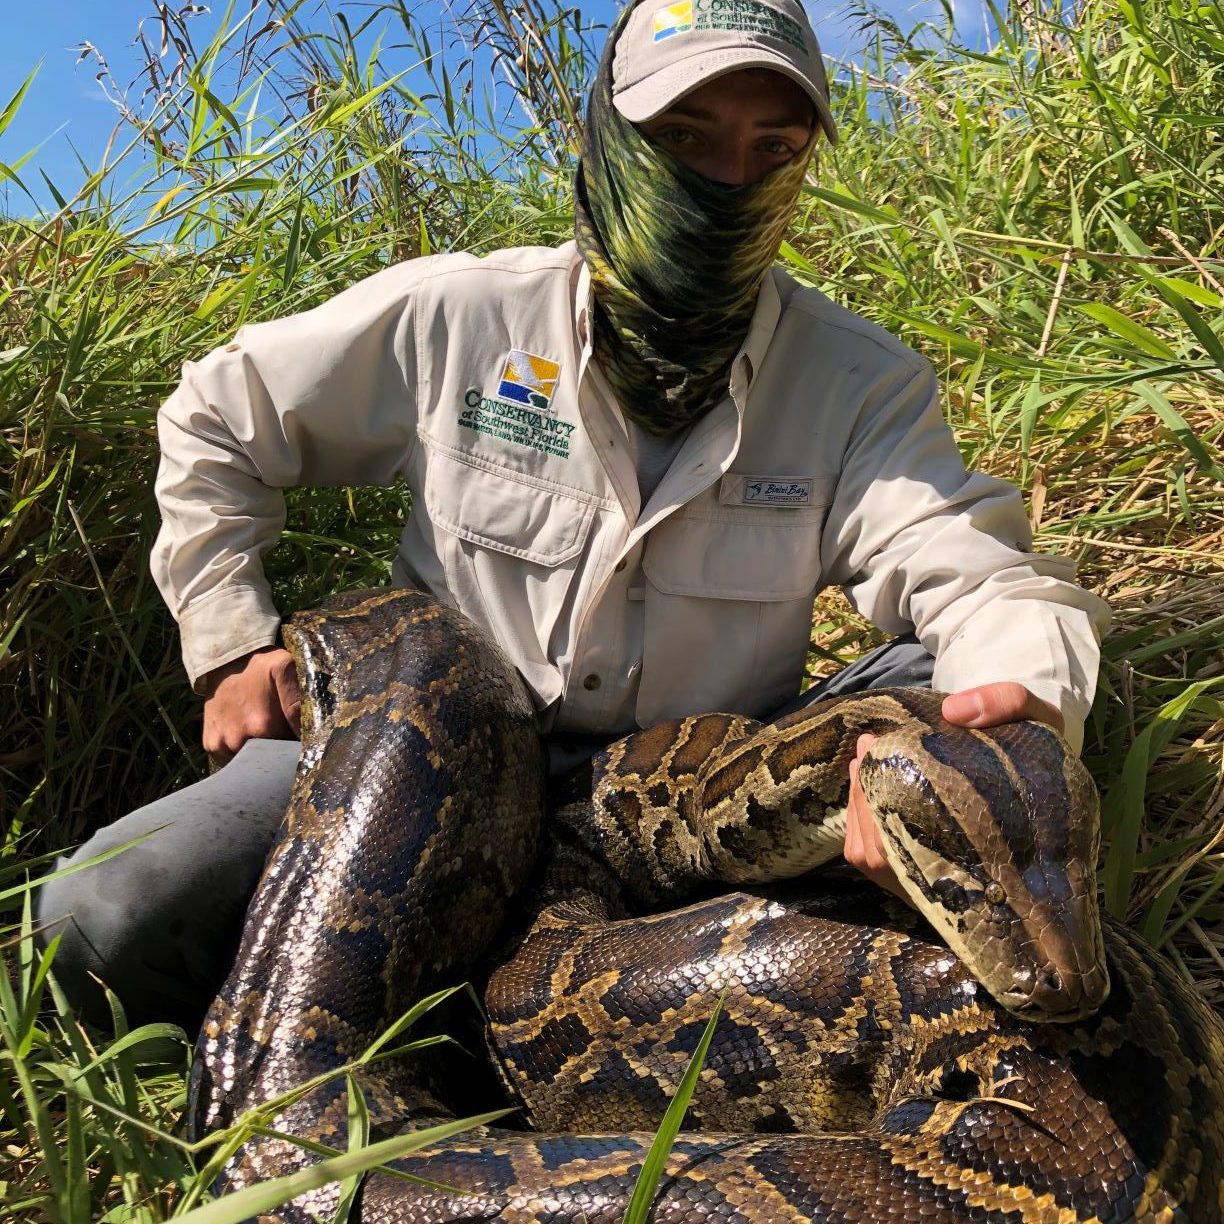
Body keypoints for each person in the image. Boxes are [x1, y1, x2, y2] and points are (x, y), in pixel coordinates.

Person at [37, 0, 1109, 1031]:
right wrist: (228, 639)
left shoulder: (858, 382)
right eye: (687, 137)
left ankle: (565, 1004)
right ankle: (461, 1010)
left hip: (695, 790)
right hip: (425, 753)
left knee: (945, 693)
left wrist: (1011, 739)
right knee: (99, 920)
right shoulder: (459, 315)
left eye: (773, 149)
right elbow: (218, 416)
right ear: (608, 140)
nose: (730, 179)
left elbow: (980, 578)